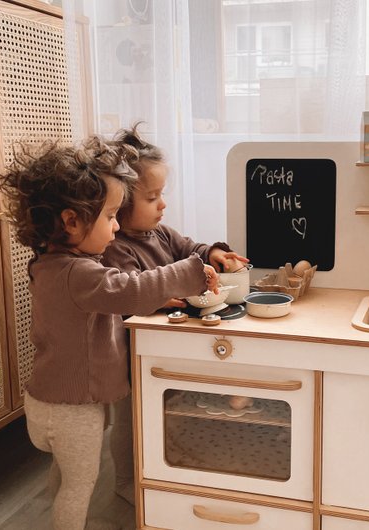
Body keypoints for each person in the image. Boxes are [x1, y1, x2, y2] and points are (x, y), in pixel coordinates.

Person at [0, 137, 219, 530]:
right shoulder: (80, 274)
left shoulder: (52, 263)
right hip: (72, 409)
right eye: (111, 216)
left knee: (66, 478)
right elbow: (129, 289)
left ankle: (57, 517)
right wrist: (189, 271)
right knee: (80, 487)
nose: (117, 225)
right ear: (71, 221)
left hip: (48, 401)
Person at [100, 124, 248, 504]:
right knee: (131, 422)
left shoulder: (161, 233)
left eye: (161, 194)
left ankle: (168, 466)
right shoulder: (116, 246)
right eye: (152, 197)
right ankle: (127, 481)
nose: (162, 204)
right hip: (129, 354)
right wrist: (161, 298)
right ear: (119, 202)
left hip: (167, 343)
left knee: (168, 411)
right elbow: (130, 289)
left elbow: (191, 249)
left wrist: (214, 254)